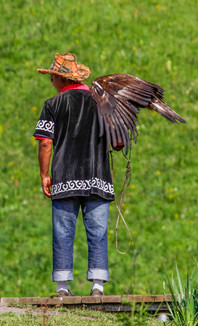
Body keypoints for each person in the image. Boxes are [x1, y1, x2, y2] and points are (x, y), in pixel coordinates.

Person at [33, 53, 114, 297]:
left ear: (60, 78)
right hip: (97, 175)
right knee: (98, 231)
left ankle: (62, 287)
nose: (52, 84)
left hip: (65, 176)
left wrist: (44, 174)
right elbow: (118, 141)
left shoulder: (53, 105)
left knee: (63, 232)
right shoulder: (102, 102)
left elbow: (45, 143)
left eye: (53, 79)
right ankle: (97, 286)